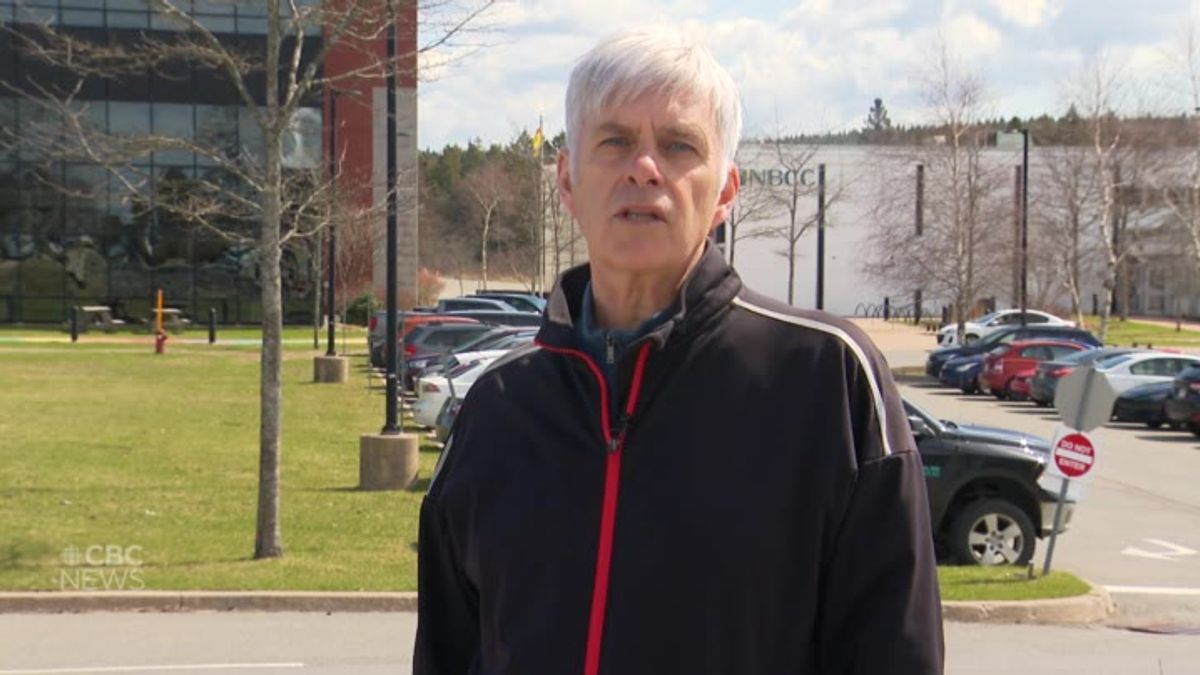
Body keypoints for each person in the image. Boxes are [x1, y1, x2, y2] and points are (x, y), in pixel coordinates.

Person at [415, 29, 944, 675]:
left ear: (725, 192)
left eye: (678, 145)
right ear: (567, 180)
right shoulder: (498, 409)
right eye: (614, 141)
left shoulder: (826, 381)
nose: (644, 167)